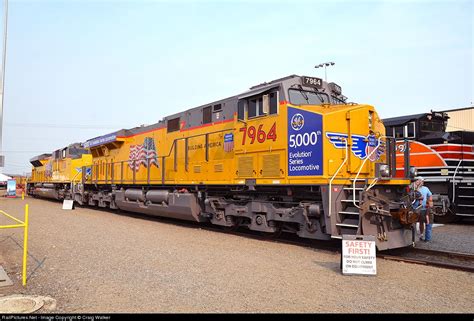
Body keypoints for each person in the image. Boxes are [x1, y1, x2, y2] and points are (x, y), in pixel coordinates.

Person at [413, 177, 433, 242]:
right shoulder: (413, 188)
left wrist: (430, 201)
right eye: (421, 181)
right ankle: (414, 235)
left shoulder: (425, 188)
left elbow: (430, 195)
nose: (422, 182)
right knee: (413, 222)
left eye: (423, 181)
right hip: (415, 208)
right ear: (417, 181)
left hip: (423, 208)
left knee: (422, 222)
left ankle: (421, 235)